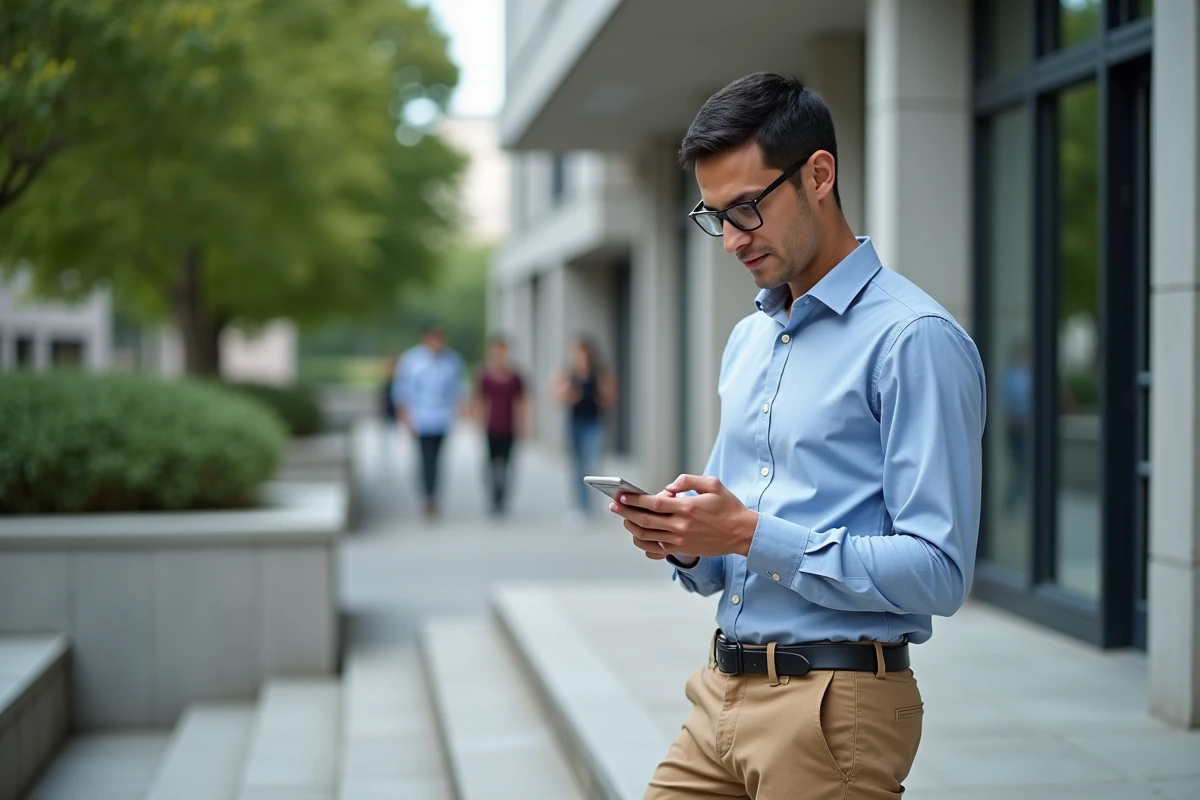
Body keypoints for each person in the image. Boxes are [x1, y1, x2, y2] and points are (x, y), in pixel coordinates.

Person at [608, 73, 986, 799]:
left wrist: (750, 532)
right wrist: (687, 536)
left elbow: (939, 571)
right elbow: (728, 549)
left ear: (819, 175)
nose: (731, 241)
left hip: (831, 709)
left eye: (747, 208)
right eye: (715, 216)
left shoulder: (914, 340)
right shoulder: (749, 340)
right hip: (717, 693)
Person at [393, 325, 464, 518]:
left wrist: (460, 412)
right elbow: (402, 390)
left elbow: (458, 389)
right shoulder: (411, 360)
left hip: (442, 417)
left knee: (437, 459)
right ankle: (427, 496)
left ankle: (434, 494)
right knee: (425, 458)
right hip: (420, 418)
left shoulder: (452, 360)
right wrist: (404, 416)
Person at [552, 336, 617, 519]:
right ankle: (579, 506)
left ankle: (592, 505)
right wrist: (569, 391)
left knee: (591, 462)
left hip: (594, 422)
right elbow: (556, 395)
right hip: (575, 423)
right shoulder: (569, 373)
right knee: (577, 465)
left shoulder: (599, 372)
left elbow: (610, 397)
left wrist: (601, 391)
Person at [474, 335, 529, 516]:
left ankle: (503, 498)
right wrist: (478, 421)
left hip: (509, 426)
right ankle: (493, 498)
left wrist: (523, 425)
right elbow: (480, 400)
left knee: (506, 465)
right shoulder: (485, 375)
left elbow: (521, 402)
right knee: (491, 465)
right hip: (491, 426)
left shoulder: (515, 376)